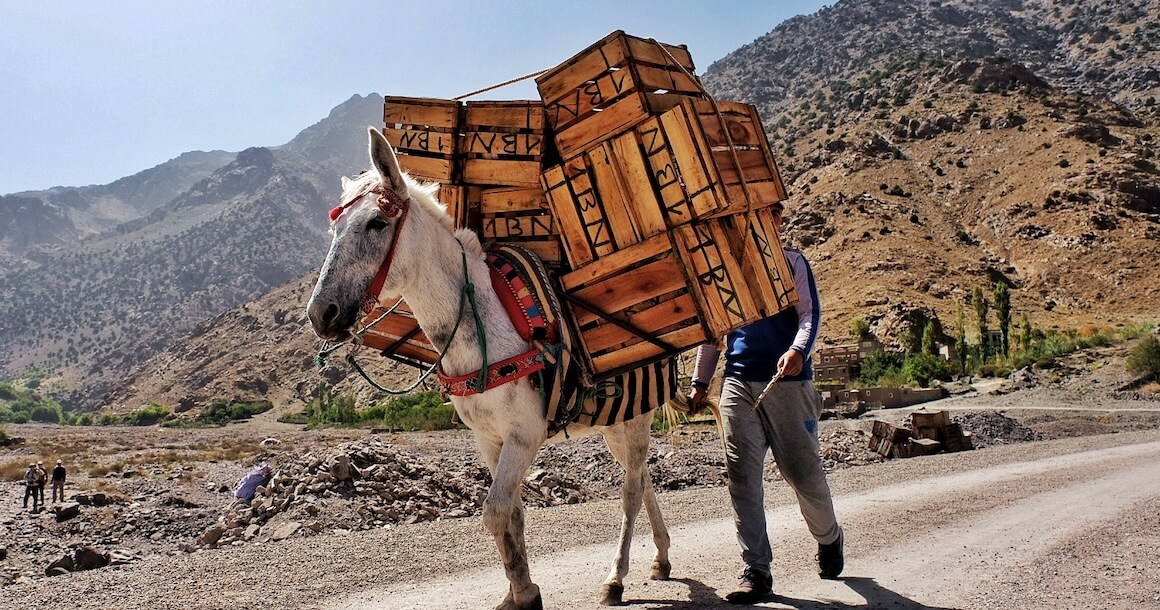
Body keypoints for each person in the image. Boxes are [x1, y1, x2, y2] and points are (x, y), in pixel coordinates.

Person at [687, 201, 843, 604]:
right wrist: (700, 382)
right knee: (742, 479)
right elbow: (714, 332)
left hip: (788, 384)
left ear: (778, 219)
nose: (757, 223)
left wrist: (797, 350)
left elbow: (810, 315)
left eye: (767, 215)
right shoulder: (725, 270)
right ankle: (757, 570)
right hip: (738, 384)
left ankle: (829, 537)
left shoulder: (793, 263)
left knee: (803, 476)